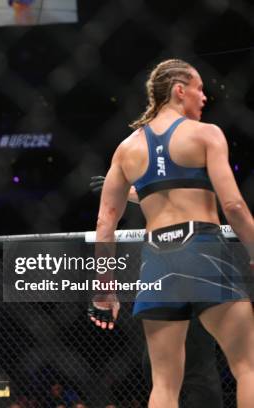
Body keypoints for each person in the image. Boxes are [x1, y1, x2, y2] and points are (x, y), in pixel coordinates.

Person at [88, 59, 254, 407]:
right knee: (247, 368)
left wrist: (106, 288)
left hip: (157, 261)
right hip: (204, 248)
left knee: (163, 385)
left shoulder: (127, 149)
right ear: (180, 90)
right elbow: (234, 205)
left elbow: (105, 223)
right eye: (199, 89)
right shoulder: (205, 133)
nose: (204, 98)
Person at [89, 176, 223, 407]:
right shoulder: (193, 144)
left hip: (172, 258)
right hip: (184, 259)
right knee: (172, 368)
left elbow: (105, 222)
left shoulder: (134, 149)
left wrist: (105, 288)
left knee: (171, 373)